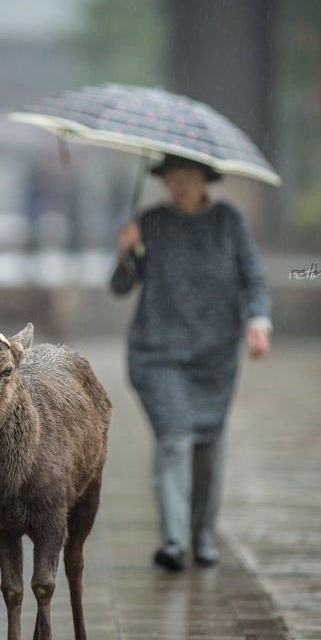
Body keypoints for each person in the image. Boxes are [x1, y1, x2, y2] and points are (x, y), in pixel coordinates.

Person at [111, 154, 271, 571]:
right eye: (172, 177)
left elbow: (254, 277)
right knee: (175, 436)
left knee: (208, 443)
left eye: (189, 176)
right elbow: (121, 285)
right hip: (158, 352)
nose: (180, 184)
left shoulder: (230, 221)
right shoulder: (150, 220)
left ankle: (203, 536)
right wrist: (125, 252)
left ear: (205, 177)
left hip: (214, 354)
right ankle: (173, 539)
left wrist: (259, 320)